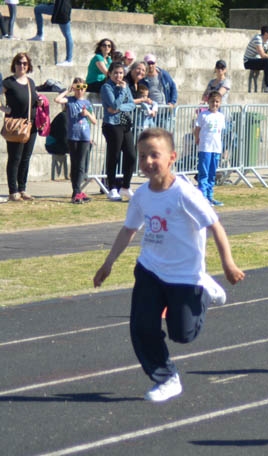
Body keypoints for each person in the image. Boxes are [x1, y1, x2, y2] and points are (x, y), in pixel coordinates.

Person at [92, 127, 245, 402]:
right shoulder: (140, 196)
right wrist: (108, 263)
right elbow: (129, 230)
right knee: (141, 327)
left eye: (154, 155)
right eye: (142, 156)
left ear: (172, 157)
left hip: (185, 276)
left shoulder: (185, 194)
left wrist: (228, 265)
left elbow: (215, 226)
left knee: (182, 334)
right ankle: (166, 377)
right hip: (150, 269)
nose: (147, 162)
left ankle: (204, 286)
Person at [2, 52, 39, 202]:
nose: (22, 66)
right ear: (14, 65)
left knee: (25, 158)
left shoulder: (31, 82)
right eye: (19, 63)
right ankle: (13, 191)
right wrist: (4, 109)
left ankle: (22, 188)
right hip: (15, 125)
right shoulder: (8, 82)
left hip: (31, 124)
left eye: (25, 63)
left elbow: (34, 98)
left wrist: (40, 102)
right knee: (15, 158)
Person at [53, 77, 96, 203]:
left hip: (85, 137)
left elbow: (93, 121)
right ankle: (76, 192)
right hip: (73, 137)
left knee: (81, 165)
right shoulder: (70, 101)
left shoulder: (87, 103)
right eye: (78, 88)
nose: (80, 91)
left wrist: (87, 114)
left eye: (83, 88)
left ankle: (77, 192)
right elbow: (57, 99)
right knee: (75, 164)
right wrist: (68, 90)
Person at [100, 61, 136, 202]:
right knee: (113, 156)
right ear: (110, 73)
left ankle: (126, 186)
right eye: (115, 73)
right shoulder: (106, 87)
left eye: (121, 73)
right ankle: (112, 187)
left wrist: (119, 108)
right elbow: (113, 104)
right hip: (112, 124)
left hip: (124, 123)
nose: (118, 75)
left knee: (131, 155)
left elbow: (132, 105)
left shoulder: (125, 86)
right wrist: (121, 94)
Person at [194, 91, 225, 207]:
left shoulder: (221, 116)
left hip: (215, 148)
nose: (215, 104)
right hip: (205, 147)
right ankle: (202, 196)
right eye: (212, 101)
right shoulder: (203, 115)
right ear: (208, 102)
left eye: (217, 102)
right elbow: (197, 129)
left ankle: (210, 196)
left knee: (212, 173)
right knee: (204, 172)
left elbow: (220, 132)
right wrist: (197, 138)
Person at [28, 0, 72, 67]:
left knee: (68, 36)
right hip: (61, 8)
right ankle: (39, 35)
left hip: (61, 10)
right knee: (37, 9)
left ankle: (69, 60)